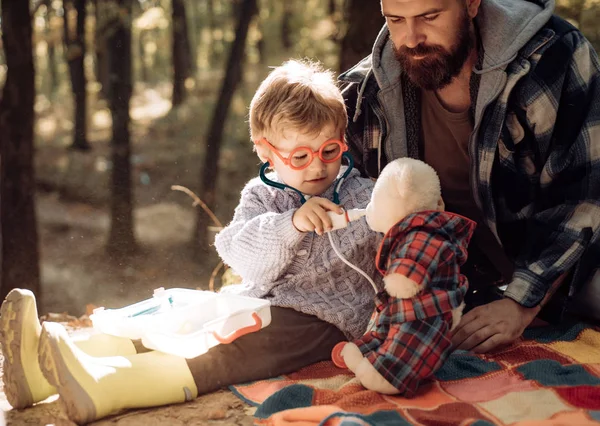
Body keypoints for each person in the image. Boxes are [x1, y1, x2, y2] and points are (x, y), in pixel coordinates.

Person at [0, 60, 382, 424]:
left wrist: (399, 206)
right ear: (265, 152)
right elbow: (240, 255)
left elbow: (397, 223)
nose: (318, 166)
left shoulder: (361, 195)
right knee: (186, 319)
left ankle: (108, 386)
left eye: (329, 150)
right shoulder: (261, 196)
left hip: (324, 321)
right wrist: (291, 224)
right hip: (258, 301)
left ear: (342, 140)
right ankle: (41, 372)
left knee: (235, 348)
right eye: (300, 156)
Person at [341, 0, 600, 355]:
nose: (412, 38)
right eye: (395, 20)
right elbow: (328, 188)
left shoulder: (553, 56)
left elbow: (585, 193)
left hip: (580, 263)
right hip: (465, 284)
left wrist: (520, 303)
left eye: (430, 17)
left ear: (472, 4)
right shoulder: (365, 93)